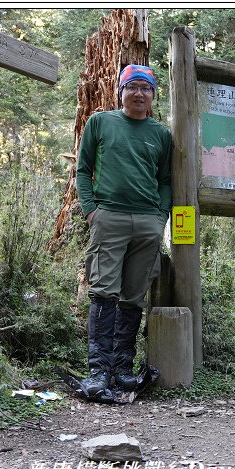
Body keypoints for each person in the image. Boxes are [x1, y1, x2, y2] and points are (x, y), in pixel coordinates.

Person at [75, 64, 172, 396]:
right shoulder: (101, 122)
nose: (139, 93)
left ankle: (122, 368)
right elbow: (83, 168)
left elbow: (165, 181)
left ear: (153, 96)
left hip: (147, 223)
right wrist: (91, 212)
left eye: (146, 89)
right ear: (121, 92)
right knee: (103, 292)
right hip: (109, 218)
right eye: (132, 87)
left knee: (133, 296)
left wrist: (159, 218)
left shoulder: (161, 134)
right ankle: (99, 370)